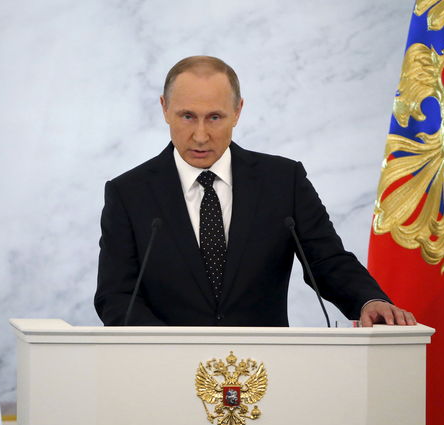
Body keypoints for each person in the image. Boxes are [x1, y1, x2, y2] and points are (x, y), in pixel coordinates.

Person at [94, 56, 415, 327]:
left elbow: (328, 261)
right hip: (164, 372)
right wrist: (174, 349)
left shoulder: (283, 181)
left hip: (266, 375)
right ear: (165, 109)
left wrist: (368, 300)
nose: (201, 135)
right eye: (187, 116)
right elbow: (116, 295)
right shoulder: (128, 193)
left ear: (238, 111)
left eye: (215, 117)